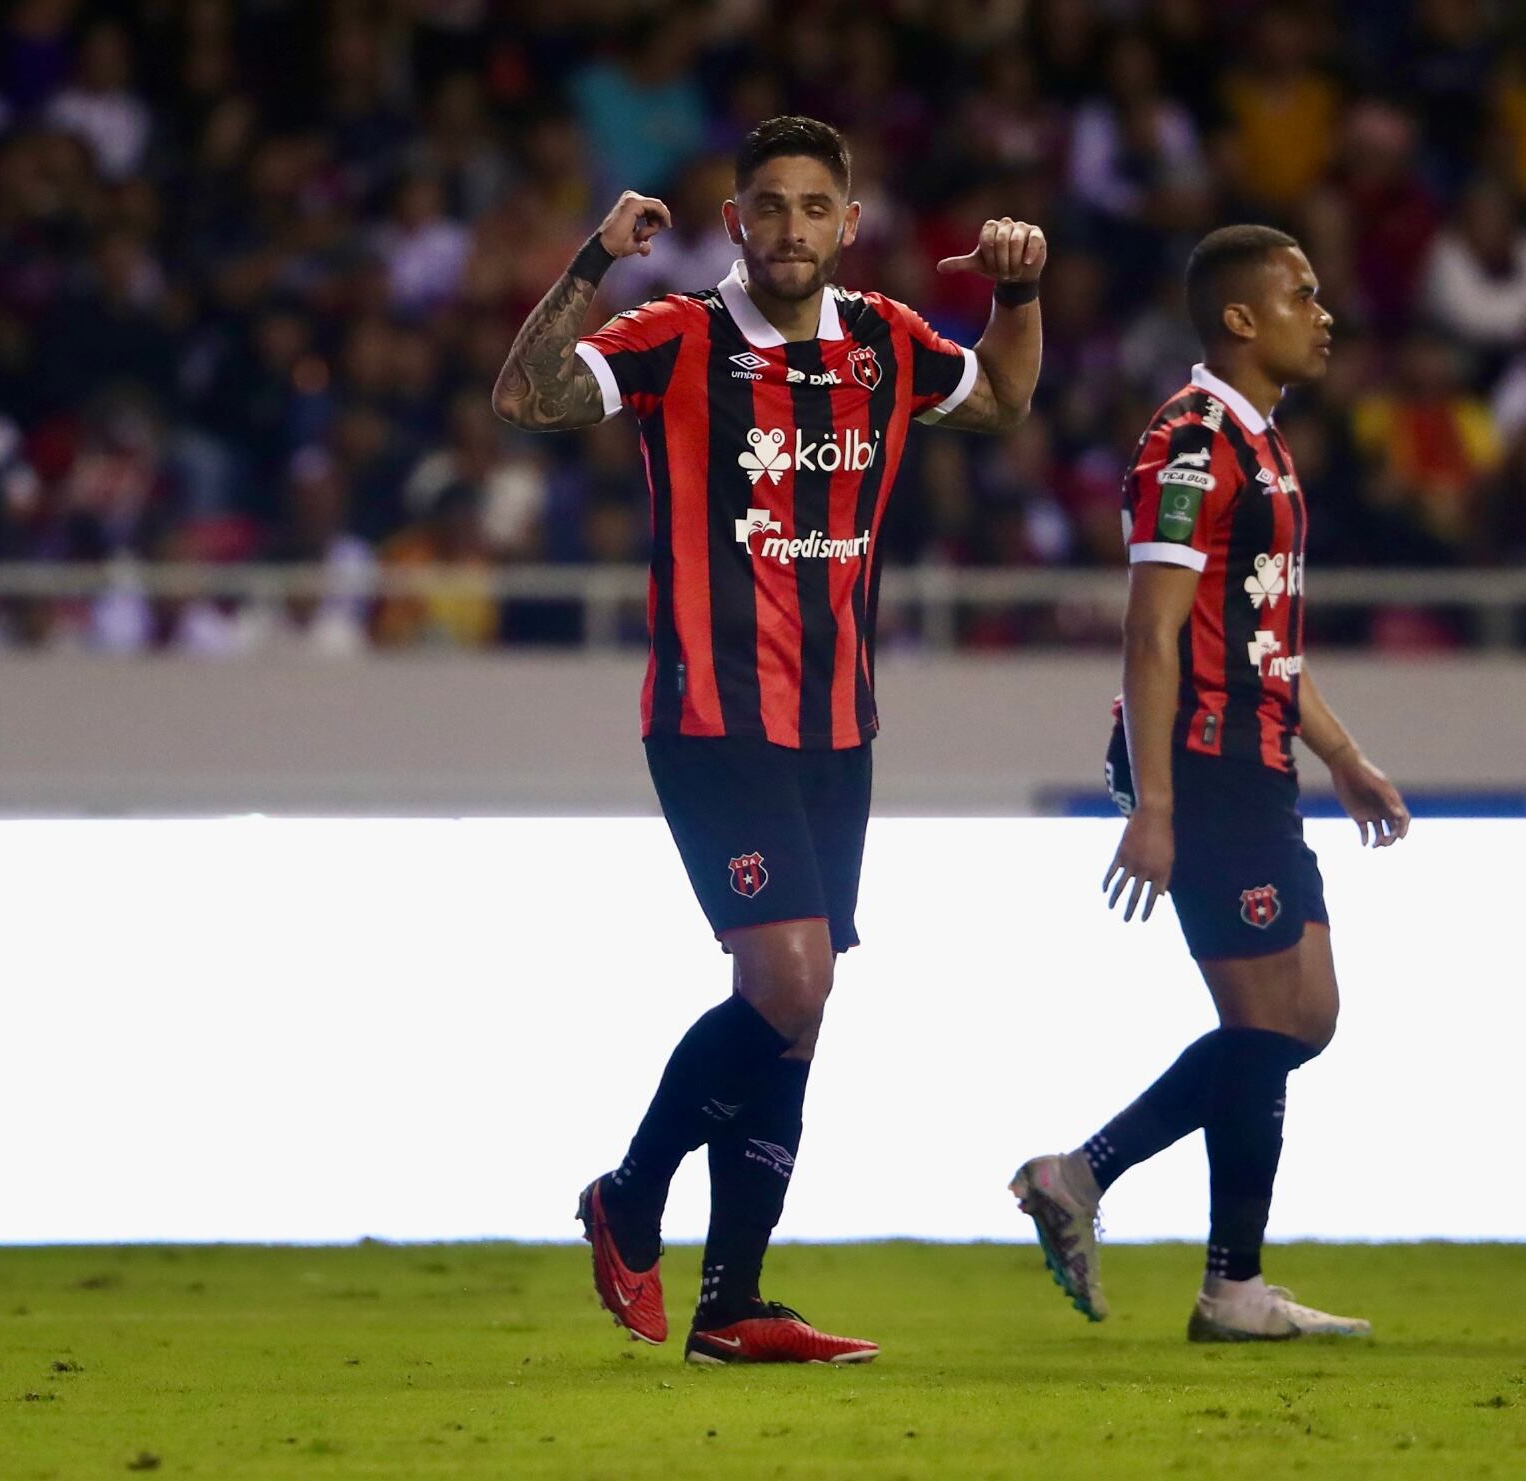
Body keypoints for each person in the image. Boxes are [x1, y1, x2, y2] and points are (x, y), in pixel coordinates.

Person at [490, 116, 1044, 1365]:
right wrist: (593, 259)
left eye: (814, 206)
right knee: (789, 981)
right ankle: (629, 1194)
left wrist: (1016, 296)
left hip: (837, 728)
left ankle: (732, 1303)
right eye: (769, 207)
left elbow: (1006, 397)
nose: (791, 228)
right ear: (734, 222)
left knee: (795, 1012)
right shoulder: (678, 335)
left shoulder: (887, 341)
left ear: (848, 224)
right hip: (713, 719)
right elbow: (525, 396)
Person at [1010, 226, 1408, 1342]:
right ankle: (1096, 1186)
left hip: (1257, 755)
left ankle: (1219, 1275)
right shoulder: (1189, 444)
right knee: (1273, 1021)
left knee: (1301, 1017)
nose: (1323, 314)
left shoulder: (1261, 442)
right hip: (1201, 760)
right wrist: (1156, 803)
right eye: (1302, 294)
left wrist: (1341, 754)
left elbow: (1263, 635)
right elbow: (1152, 633)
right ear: (1239, 319)